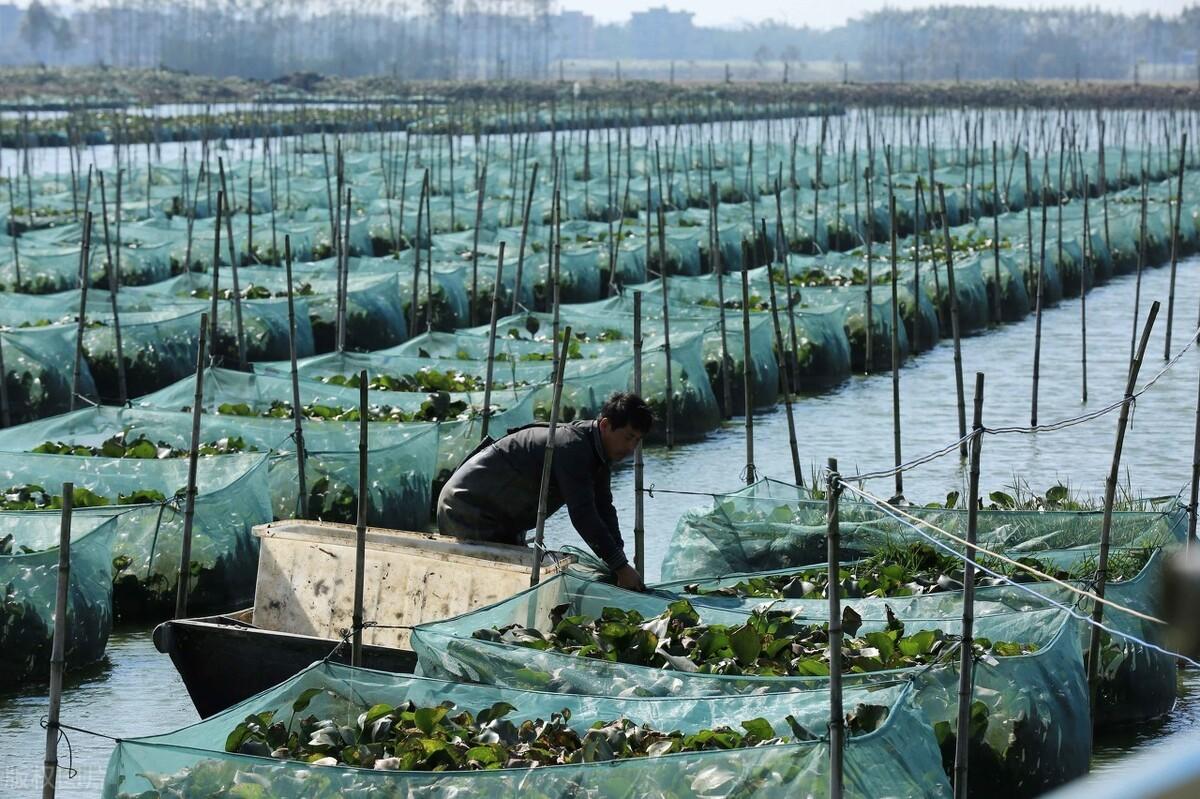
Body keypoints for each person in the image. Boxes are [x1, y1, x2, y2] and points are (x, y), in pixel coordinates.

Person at [437, 391, 652, 590]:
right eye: (628, 437)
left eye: (637, 441)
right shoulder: (572, 447)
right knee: (487, 586)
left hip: (499, 515)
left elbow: (604, 509)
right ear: (605, 425)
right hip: (466, 505)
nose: (631, 448)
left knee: (511, 586)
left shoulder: (597, 453)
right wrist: (620, 566)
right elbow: (584, 515)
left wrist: (620, 562)